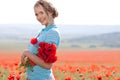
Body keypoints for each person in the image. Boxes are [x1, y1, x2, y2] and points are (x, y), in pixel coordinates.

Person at [21, 0, 60, 80]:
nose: (39, 17)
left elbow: (47, 65)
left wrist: (27, 53)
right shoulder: (43, 31)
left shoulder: (52, 33)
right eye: (36, 14)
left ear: (50, 12)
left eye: (41, 13)